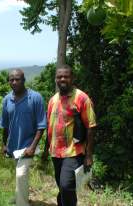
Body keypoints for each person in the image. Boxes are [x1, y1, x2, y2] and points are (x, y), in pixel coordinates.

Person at [45, 64, 97, 206]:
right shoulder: (53, 100)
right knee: (62, 187)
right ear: (55, 79)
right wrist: (46, 150)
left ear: (72, 78)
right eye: (59, 76)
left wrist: (88, 155)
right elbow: (50, 126)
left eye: (66, 76)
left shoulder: (82, 98)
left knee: (66, 185)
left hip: (74, 151)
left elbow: (91, 127)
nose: (62, 79)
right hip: (56, 152)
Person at [0, 69, 46, 206]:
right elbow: (5, 125)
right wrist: (4, 144)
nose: (14, 82)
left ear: (24, 80)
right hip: (14, 147)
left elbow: (41, 125)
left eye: (17, 79)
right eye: (11, 79)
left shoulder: (35, 98)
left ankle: (21, 203)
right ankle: (21, 197)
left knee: (20, 174)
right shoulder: (7, 100)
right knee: (20, 175)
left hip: (29, 145)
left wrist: (32, 147)